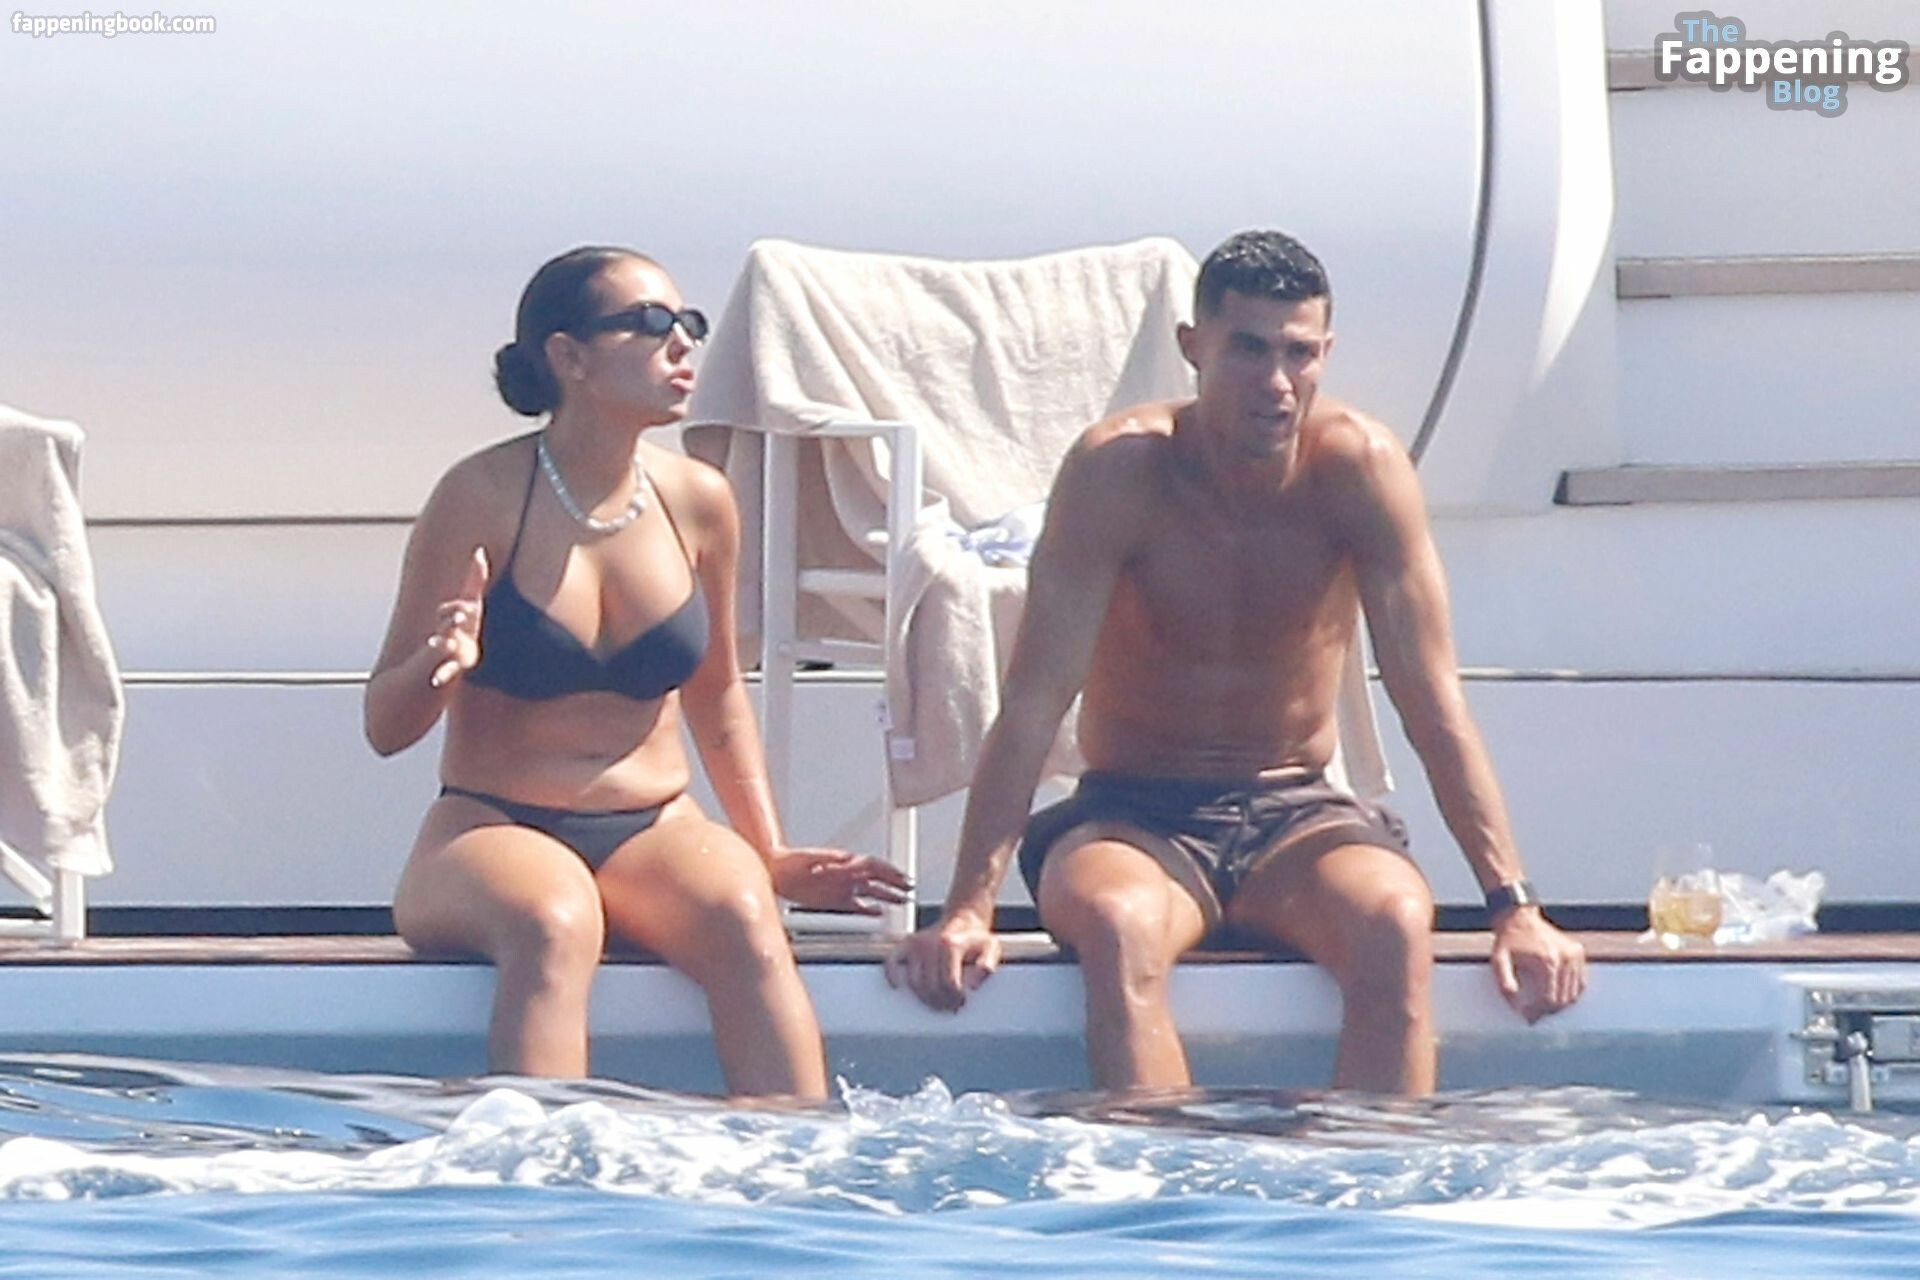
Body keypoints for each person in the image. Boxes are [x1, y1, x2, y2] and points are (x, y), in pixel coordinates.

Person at [886, 230, 1586, 1096]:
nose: (1277, 381)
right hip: (1132, 817)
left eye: (1300, 353)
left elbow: (1432, 702)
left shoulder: (1361, 470)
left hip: (1295, 813)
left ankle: (1374, 1170)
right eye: (1249, 350)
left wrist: (1515, 906)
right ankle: (1164, 1168)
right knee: (1117, 925)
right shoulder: (1120, 470)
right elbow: (1032, 702)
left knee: (1397, 923)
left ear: (1326, 352)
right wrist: (967, 908)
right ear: (1194, 346)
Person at [366, 246, 909, 1097]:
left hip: (655, 826)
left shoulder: (700, 500)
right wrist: (438, 668)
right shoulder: (480, 496)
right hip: (492, 826)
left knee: (745, 916)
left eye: (689, 323)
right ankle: (547, 1167)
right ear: (568, 356)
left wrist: (767, 850)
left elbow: (718, 697)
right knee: (553, 922)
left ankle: (799, 1153)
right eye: (650, 324)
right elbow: (384, 727)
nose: (682, 344)